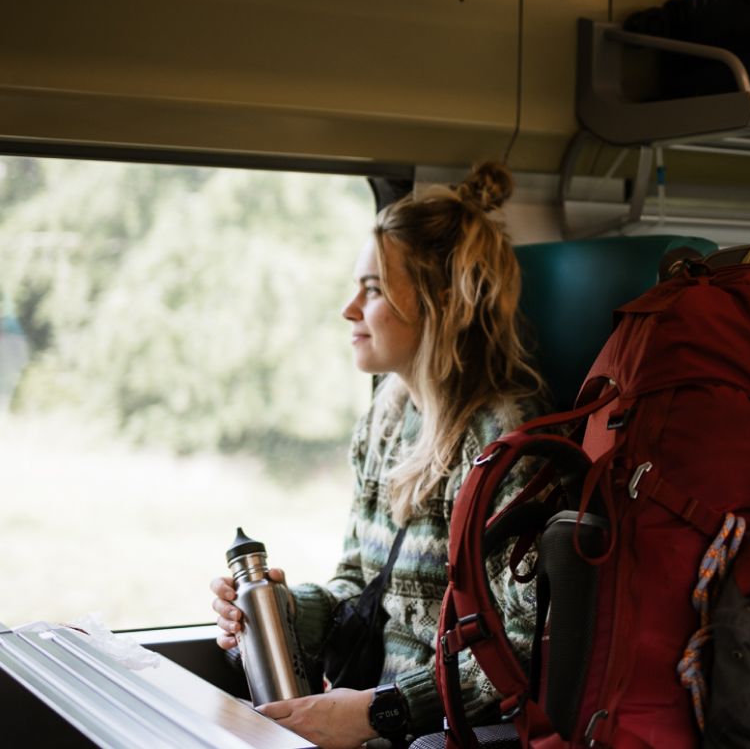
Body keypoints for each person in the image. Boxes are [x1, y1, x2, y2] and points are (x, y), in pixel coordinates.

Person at [210, 160, 549, 749]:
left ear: (443, 300)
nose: (348, 309)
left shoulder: (503, 442)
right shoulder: (385, 422)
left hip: (425, 729)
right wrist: (283, 611)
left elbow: (530, 638)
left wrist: (379, 712)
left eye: (371, 290)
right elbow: (359, 588)